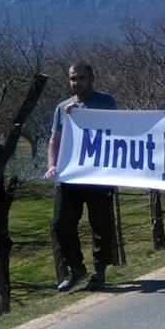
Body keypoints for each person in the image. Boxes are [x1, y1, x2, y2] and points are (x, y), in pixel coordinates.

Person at [46, 62, 117, 292]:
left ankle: (100, 271)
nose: (77, 83)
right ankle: (76, 268)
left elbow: (117, 131)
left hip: (98, 175)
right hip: (71, 176)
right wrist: (52, 165)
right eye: (73, 78)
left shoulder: (106, 102)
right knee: (60, 223)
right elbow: (54, 140)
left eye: (82, 78)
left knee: (101, 225)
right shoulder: (62, 108)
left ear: (92, 78)